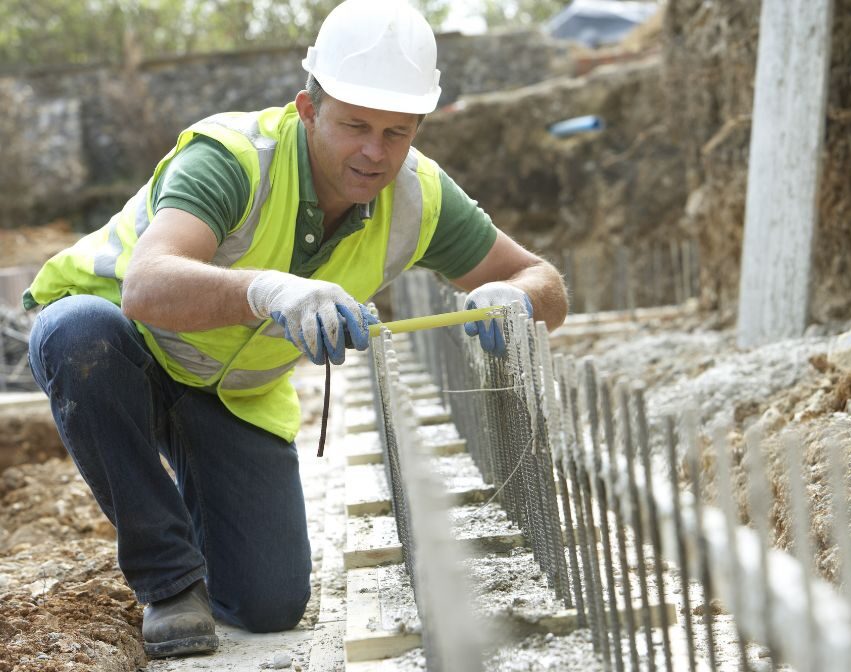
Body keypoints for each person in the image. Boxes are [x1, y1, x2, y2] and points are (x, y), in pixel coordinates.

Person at [22, 0, 567, 660]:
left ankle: (202, 509)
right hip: (126, 348)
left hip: (231, 395)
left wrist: (513, 295)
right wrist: (270, 290)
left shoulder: (420, 196)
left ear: (419, 127)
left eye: (397, 132)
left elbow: (544, 280)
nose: (374, 151)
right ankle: (167, 578)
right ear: (308, 110)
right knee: (77, 334)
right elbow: (146, 285)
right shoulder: (232, 157)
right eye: (355, 125)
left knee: (270, 604)